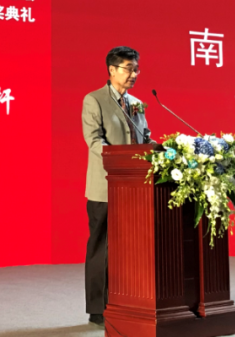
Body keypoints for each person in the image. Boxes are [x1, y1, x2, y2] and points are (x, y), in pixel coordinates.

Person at [80, 46, 151, 326]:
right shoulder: (94, 100)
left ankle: (127, 301)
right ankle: (98, 308)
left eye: (136, 69)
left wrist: (161, 150)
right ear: (112, 70)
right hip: (105, 187)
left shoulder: (137, 103)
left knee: (131, 249)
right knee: (102, 248)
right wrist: (122, 160)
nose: (134, 74)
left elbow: (145, 137)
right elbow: (94, 139)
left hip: (135, 188)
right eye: (128, 68)